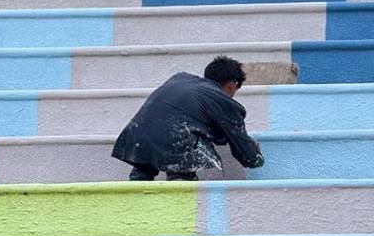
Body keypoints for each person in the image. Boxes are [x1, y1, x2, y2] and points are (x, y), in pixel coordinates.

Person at [112, 56, 265, 181]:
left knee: (143, 170)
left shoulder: (179, 78)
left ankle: (137, 194)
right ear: (232, 85)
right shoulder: (222, 100)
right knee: (181, 174)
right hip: (174, 140)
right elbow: (246, 155)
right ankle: (179, 185)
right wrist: (256, 155)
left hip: (136, 137)